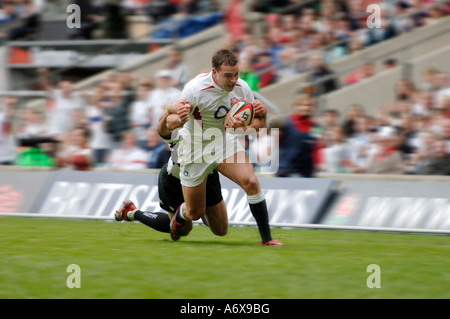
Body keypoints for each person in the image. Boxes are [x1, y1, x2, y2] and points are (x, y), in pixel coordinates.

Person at [115, 98, 281, 245]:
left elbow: (251, 129)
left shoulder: (214, 130)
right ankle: (132, 212)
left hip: (207, 175)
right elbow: (163, 128)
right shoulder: (180, 129)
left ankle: (191, 210)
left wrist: (258, 116)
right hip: (175, 179)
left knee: (220, 229)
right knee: (181, 231)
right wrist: (168, 112)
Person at [162, 49, 281, 246]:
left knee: (251, 181)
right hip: (195, 148)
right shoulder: (194, 89)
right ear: (214, 72)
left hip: (223, 141)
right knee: (195, 212)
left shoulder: (242, 88)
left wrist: (244, 126)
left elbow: (258, 123)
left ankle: (267, 239)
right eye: (228, 75)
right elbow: (172, 119)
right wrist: (176, 118)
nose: (234, 80)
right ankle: (181, 214)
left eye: (236, 74)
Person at [269, 94, 324, 178]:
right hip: (287, 170)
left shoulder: (317, 126)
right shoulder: (286, 121)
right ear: (296, 106)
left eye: (309, 105)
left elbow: (316, 147)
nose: (306, 108)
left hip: (307, 171)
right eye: (302, 105)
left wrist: (319, 163)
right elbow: (276, 142)